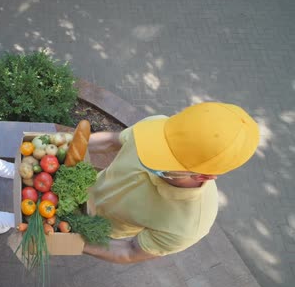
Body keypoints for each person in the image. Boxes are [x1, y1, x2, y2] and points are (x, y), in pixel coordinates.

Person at [83, 102, 259, 264]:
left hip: (98, 225)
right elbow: (111, 141)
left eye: (166, 163)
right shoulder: (155, 125)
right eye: (158, 145)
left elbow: (129, 251)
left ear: (204, 176)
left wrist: (72, 240)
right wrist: (67, 144)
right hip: (88, 186)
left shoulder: (188, 226)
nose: (150, 158)